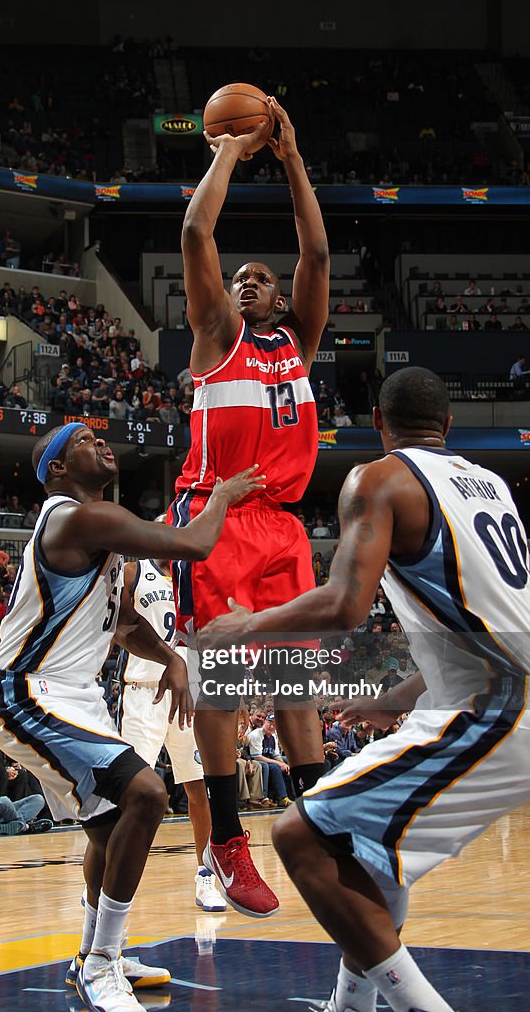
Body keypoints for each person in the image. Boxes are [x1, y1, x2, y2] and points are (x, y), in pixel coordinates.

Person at [200, 367, 530, 1012]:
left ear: (377, 422)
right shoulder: (491, 487)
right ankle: (350, 1005)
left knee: (300, 836)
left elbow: (347, 605)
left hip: (504, 710)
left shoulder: (378, 480)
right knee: (368, 858)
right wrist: (400, 695)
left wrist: (248, 623)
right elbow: (490, 621)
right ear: (449, 427)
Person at [0, 422, 262, 1012]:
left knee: (109, 831)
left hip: (72, 695)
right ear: (57, 468)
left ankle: (95, 953)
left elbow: (126, 623)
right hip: (26, 690)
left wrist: (171, 661)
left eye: (102, 438)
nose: (101, 443)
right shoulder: (73, 517)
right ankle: (102, 966)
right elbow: (195, 544)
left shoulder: (108, 546)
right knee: (148, 794)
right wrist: (224, 496)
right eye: (83, 440)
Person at [170, 95, 329, 917]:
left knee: (296, 679)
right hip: (216, 518)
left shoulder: (296, 344)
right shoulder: (213, 333)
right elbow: (198, 234)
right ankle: (227, 840)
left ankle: (320, 823)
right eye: (240, 278)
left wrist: (292, 155)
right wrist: (231, 148)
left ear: (278, 302)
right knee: (225, 683)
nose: (246, 281)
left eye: (258, 279)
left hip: (282, 527)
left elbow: (316, 250)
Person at [117, 549, 226, 914]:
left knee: (200, 788)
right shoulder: (135, 570)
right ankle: (111, 880)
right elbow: (120, 623)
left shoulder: (194, 580)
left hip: (188, 694)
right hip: (143, 691)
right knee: (129, 792)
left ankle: (206, 877)